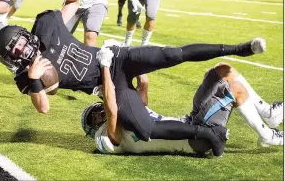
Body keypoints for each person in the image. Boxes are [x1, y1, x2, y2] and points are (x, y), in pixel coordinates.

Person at [0, 0, 267, 156]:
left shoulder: (46, 26)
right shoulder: (25, 76)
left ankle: (238, 48)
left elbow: (74, 1)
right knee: (144, 128)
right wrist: (34, 79)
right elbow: (42, 108)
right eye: (14, 53)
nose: (21, 52)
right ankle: (203, 134)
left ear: (25, 35)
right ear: (10, 59)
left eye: (19, 44)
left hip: (116, 60)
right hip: (108, 82)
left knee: (173, 54)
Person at [81, 62, 283, 155]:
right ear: (94, 130)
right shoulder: (114, 138)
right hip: (195, 139)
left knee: (221, 70)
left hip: (190, 119)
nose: (99, 114)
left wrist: (136, 68)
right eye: (95, 118)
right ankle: (268, 136)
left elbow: (142, 92)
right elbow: (112, 111)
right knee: (235, 89)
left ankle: (269, 113)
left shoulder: (128, 119)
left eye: (97, 110)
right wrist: (106, 71)